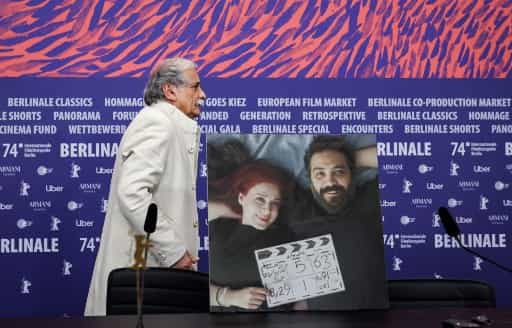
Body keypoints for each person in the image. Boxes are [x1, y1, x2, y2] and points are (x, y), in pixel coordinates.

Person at [84, 57, 206, 316]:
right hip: (143, 272)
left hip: (153, 275)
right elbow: (132, 193)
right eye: (195, 87)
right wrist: (173, 251)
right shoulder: (158, 123)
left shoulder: (169, 124)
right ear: (170, 91)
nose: (202, 95)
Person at [290, 135, 388, 310]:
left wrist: (351, 158)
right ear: (309, 177)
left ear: (352, 172)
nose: (330, 182)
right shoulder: (295, 207)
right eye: (320, 173)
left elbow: (406, 158)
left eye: (339, 172)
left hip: (375, 315)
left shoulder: (370, 198)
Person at [208, 160, 297, 311]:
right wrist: (229, 296)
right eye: (260, 199)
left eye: (274, 203)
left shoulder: (286, 235)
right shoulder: (215, 229)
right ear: (241, 198)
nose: (267, 211)